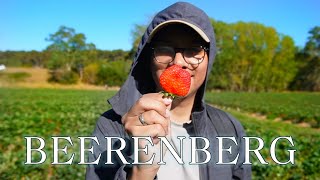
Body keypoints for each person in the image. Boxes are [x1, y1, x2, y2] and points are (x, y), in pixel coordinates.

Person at [86, 2, 251, 180]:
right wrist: (141, 172)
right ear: (148, 59)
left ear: (208, 60)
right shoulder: (112, 126)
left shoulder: (229, 128)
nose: (178, 62)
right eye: (165, 48)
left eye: (194, 49)